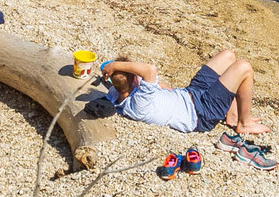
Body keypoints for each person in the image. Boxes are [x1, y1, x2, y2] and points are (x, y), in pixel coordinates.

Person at [100, 46, 265, 143]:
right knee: (244, 67)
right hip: (202, 113)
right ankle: (244, 123)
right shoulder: (140, 103)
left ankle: (233, 114)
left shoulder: (116, 93)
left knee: (228, 56)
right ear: (136, 81)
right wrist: (115, 64)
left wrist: (113, 70)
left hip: (190, 93)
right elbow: (149, 70)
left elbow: (129, 80)